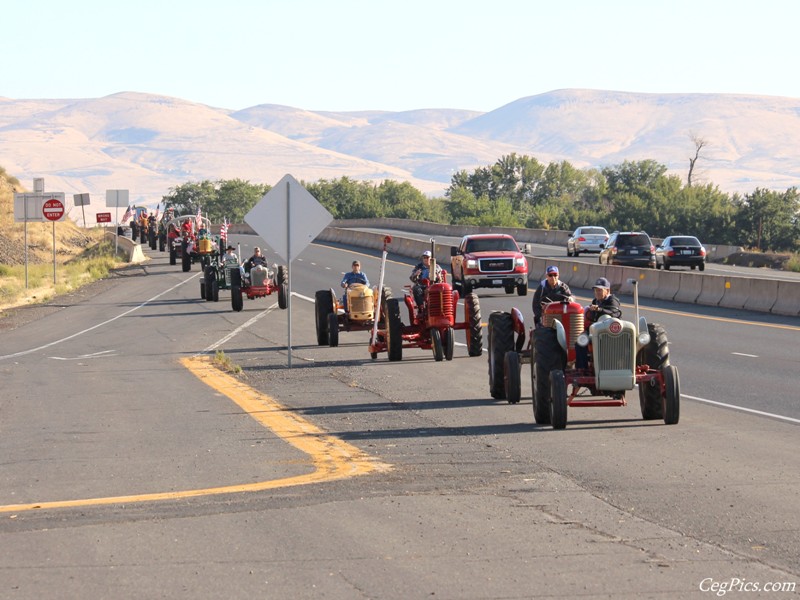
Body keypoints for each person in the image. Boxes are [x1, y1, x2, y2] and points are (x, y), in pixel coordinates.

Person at [575, 277, 622, 369]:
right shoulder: (595, 301)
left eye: (600, 290)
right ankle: (582, 369)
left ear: (607, 290)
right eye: (595, 290)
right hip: (596, 330)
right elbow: (592, 317)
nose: (597, 293)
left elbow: (613, 313)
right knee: (580, 341)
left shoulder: (613, 300)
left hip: (610, 332)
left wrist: (599, 309)